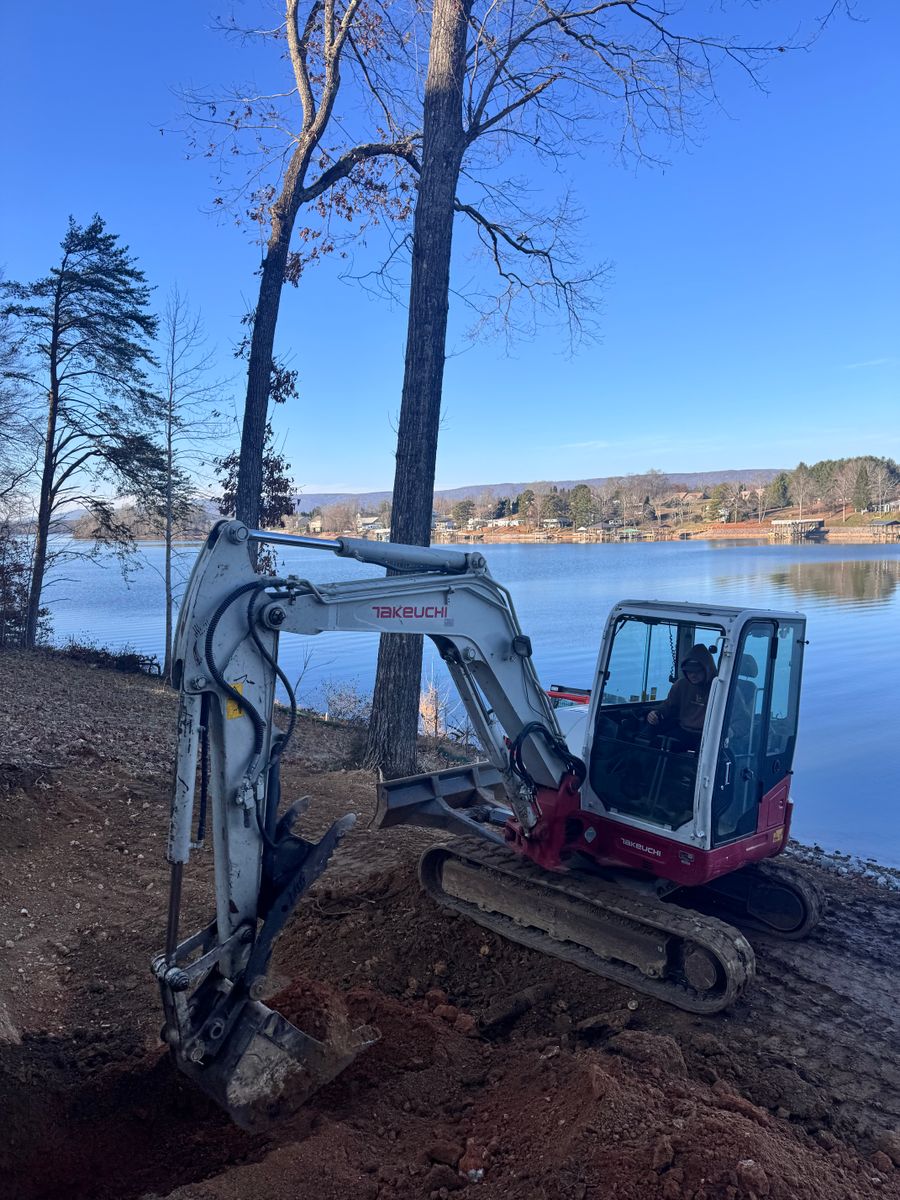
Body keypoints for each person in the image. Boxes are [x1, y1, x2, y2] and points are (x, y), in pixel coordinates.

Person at [645, 643, 717, 751]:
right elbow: (668, 705)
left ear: (707, 669)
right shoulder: (681, 684)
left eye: (697, 671)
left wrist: (731, 731)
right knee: (657, 743)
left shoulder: (721, 688)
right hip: (684, 730)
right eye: (689, 671)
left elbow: (739, 720)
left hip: (709, 736)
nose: (692, 675)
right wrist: (655, 712)